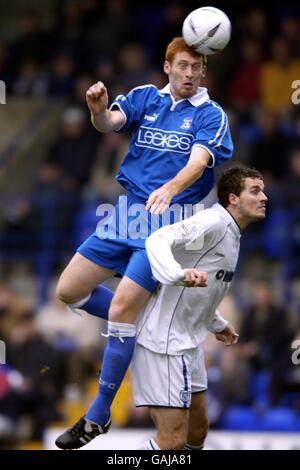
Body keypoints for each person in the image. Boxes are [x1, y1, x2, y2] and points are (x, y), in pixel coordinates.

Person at [55, 37, 233, 449]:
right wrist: (98, 110)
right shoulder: (145, 97)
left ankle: (98, 414)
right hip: (127, 212)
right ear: (167, 66)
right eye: (183, 66)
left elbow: (198, 162)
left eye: (197, 67)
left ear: (204, 72)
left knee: (120, 308)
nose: (190, 74)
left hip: (169, 225)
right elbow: (110, 124)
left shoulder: (211, 114)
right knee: (68, 290)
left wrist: (170, 189)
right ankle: (144, 328)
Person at [130, 166, 267, 450]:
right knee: (172, 442)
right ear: (233, 198)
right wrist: (176, 274)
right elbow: (158, 239)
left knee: (198, 432)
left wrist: (217, 323)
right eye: (255, 191)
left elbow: (205, 285)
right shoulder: (213, 222)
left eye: (263, 190)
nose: (264, 197)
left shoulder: (233, 232)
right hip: (165, 344)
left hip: (189, 344)